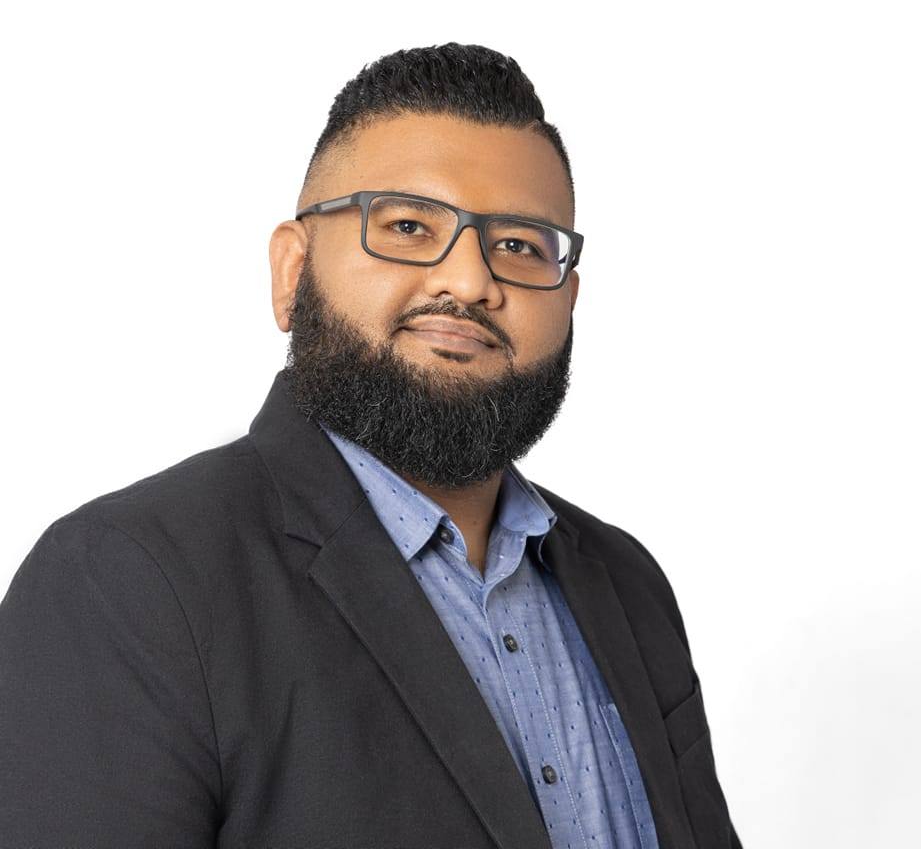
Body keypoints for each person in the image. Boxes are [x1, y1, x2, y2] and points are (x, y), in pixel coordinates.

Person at [0, 42, 742, 848]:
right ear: (292, 270)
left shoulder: (625, 581)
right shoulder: (126, 578)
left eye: (519, 245)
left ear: (567, 299)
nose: (469, 281)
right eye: (408, 226)